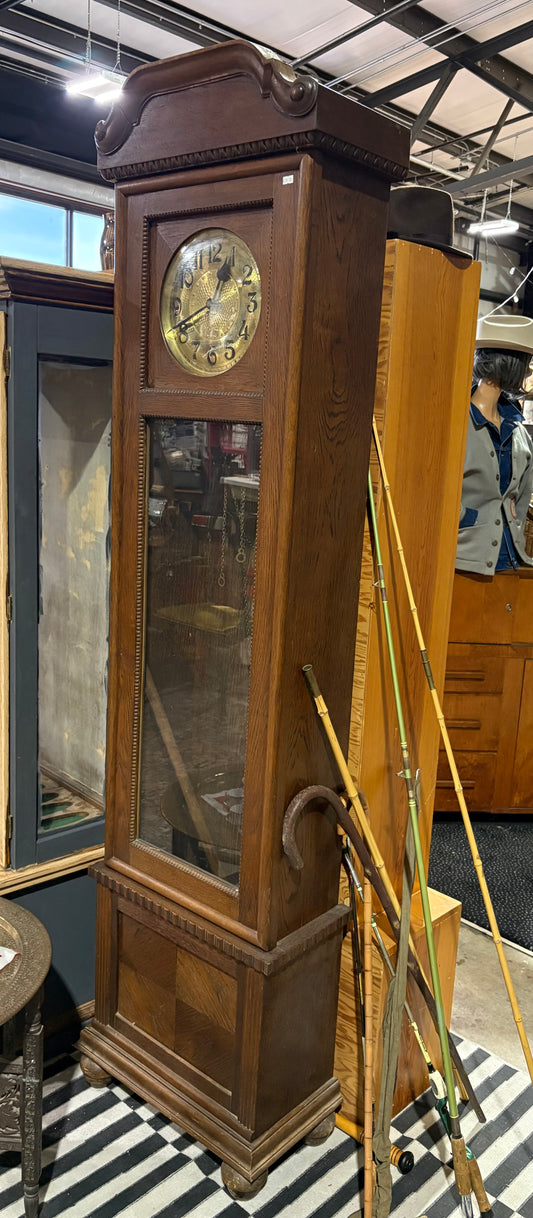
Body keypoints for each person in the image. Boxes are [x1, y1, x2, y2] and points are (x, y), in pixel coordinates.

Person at [456, 314, 533, 576]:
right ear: (510, 363)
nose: (528, 371)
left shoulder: (519, 433)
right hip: (463, 560)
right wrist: (467, 518)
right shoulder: (457, 423)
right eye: (526, 363)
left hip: (511, 560)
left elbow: (521, 499)